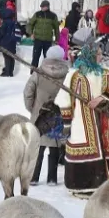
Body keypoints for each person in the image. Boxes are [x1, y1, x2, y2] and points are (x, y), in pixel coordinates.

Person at [56, 40, 109, 195]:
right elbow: (63, 98)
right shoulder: (75, 74)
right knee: (83, 147)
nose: (101, 56)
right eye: (97, 54)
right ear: (89, 55)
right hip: (80, 120)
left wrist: (102, 98)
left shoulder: (106, 72)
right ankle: (82, 186)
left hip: (103, 117)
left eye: (100, 53)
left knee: (105, 148)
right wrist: (66, 123)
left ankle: (104, 183)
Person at [25, 45, 69, 185]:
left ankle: (34, 177)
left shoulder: (38, 72)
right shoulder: (67, 74)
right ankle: (52, 178)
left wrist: (32, 109)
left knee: (38, 146)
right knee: (55, 145)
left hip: (40, 116)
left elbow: (28, 92)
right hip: (59, 115)